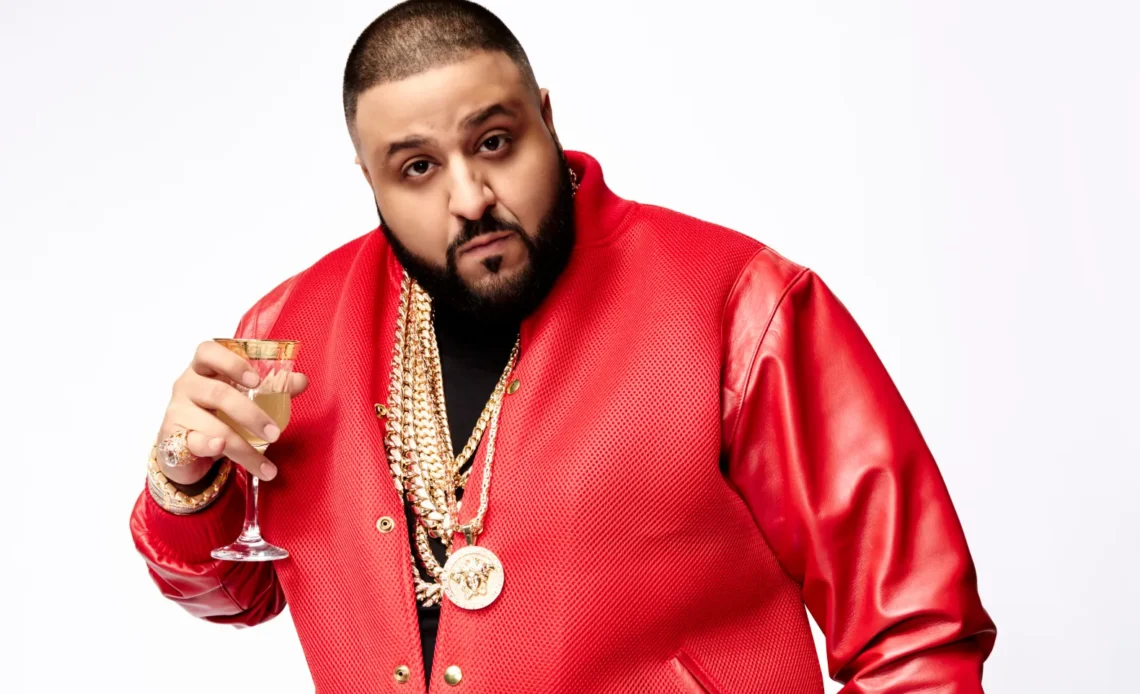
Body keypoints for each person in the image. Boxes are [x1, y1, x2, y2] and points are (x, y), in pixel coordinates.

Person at [129, 1, 997, 691]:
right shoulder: (292, 330)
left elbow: (915, 629)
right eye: (418, 168)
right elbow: (237, 593)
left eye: (494, 142)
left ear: (545, 120)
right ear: (372, 182)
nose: (471, 196)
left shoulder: (738, 305)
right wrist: (185, 477)